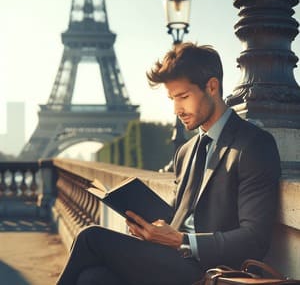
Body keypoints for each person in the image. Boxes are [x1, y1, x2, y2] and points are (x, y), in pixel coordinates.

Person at [56, 43, 281, 285]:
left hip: (211, 270)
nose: (177, 109)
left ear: (212, 87)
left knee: (91, 238)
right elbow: (178, 216)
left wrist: (182, 240)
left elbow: (254, 239)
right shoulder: (186, 152)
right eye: (172, 99)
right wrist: (148, 228)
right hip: (170, 261)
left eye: (183, 97)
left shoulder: (253, 145)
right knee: (93, 279)